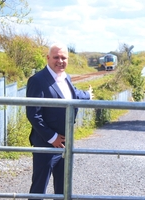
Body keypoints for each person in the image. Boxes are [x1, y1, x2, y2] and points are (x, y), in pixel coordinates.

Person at [26, 42, 93, 199]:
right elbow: (33, 114)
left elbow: (72, 94)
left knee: (63, 187)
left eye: (64, 58)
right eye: (56, 57)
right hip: (46, 143)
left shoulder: (66, 77)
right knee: (39, 186)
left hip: (66, 143)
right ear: (48, 58)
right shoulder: (37, 80)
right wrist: (52, 137)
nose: (60, 61)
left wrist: (88, 95)